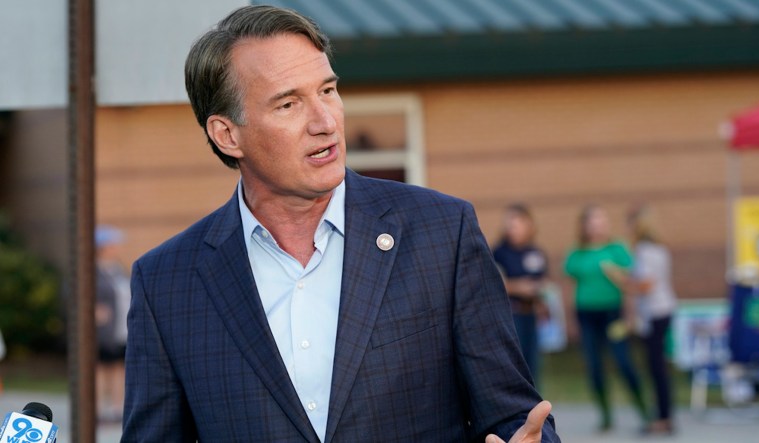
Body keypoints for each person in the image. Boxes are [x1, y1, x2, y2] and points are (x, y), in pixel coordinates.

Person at [121, 5, 559, 443]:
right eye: (289, 103)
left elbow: (515, 417)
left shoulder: (442, 232)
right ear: (227, 135)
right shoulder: (166, 282)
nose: (325, 122)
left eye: (328, 91)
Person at [563, 204, 649, 433]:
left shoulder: (617, 249)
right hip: (587, 317)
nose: (599, 225)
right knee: (594, 367)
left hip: (613, 314)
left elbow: (629, 285)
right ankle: (606, 416)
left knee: (623, 362)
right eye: (594, 221)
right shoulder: (576, 254)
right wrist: (570, 321)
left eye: (602, 220)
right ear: (585, 226)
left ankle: (644, 412)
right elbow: (570, 288)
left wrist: (631, 316)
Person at [627, 204, 677, 435]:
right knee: (660, 366)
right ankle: (665, 414)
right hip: (664, 309)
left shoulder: (645, 250)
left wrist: (624, 282)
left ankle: (664, 417)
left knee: (656, 368)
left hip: (655, 313)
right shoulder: (659, 248)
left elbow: (646, 285)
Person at [493, 203, 548, 385]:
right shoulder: (499, 253)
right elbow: (494, 283)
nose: (512, 229)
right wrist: (518, 287)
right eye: (509, 225)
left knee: (533, 363)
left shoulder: (536, 252)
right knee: (516, 363)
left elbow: (543, 280)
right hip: (511, 314)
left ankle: (537, 406)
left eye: (516, 224)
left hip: (531, 314)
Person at [95, 225, 131, 423]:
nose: (116, 248)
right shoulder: (94, 271)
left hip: (122, 327)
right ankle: (100, 409)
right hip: (103, 330)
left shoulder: (119, 270)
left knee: (120, 368)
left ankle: (118, 409)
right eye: (112, 245)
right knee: (101, 368)